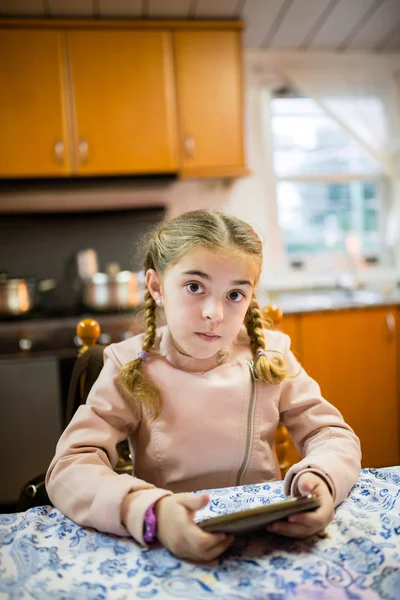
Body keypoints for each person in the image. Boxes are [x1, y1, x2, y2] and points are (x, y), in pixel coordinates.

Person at [46, 209, 361, 562]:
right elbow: (70, 467)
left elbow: (332, 435)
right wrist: (150, 512)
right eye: (195, 287)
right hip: (171, 544)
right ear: (156, 286)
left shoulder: (271, 355)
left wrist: (323, 480)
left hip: (267, 539)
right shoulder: (129, 365)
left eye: (234, 295)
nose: (215, 313)